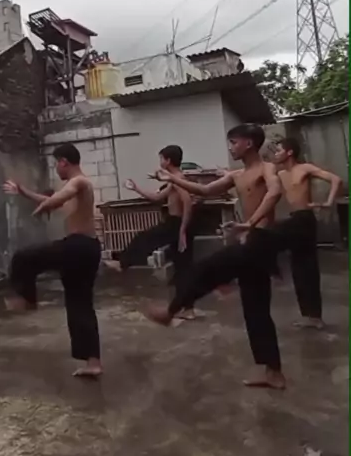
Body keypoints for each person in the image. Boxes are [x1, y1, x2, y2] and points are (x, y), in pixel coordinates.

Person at [146, 124, 287, 390]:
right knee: (255, 310)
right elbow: (204, 190)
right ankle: (273, 372)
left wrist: (250, 223)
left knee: (205, 268)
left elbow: (275, 192)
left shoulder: (267, 169)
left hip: (262, 240)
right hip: (253, 244)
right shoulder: (237, 175)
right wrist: (172, 179)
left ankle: (171, 311)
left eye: (234, 142)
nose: (230, 147)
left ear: (248, 143)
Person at [3, 143, 102, 378]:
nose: (56, 168)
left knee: (23, 258)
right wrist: (23, 191)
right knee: (80, 305)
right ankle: (93, 362)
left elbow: (57, 199)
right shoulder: (78, 186)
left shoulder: (79, 182)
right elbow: (53, 198)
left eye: (56, 163)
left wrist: (44, 207)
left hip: (78, 246)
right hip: (87, 248)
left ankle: (28, 300)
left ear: (63, 162)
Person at [104, 145, 198, 320]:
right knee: (183, 268)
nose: (160, 162)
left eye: (161, 158)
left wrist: (183, 230)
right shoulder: (174, 180)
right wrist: (136, 188)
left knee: (145, 238)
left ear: (168, 160)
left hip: (177, 224)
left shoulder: (179, 179)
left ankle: (123, 262)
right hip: (177, 223)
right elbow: (157, 198)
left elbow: (187, 202)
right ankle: (188, 309)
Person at [273, 137, 342, 329]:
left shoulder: (305, 168)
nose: (275, 154)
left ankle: (315, 317)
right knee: (297, 269)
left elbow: (336, 180)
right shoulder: (280, 174)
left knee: (308, 267)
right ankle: (308, 316)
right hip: (294, 217)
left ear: (289, 152)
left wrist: (328, 202)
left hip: (305, 218)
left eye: (278, 150)